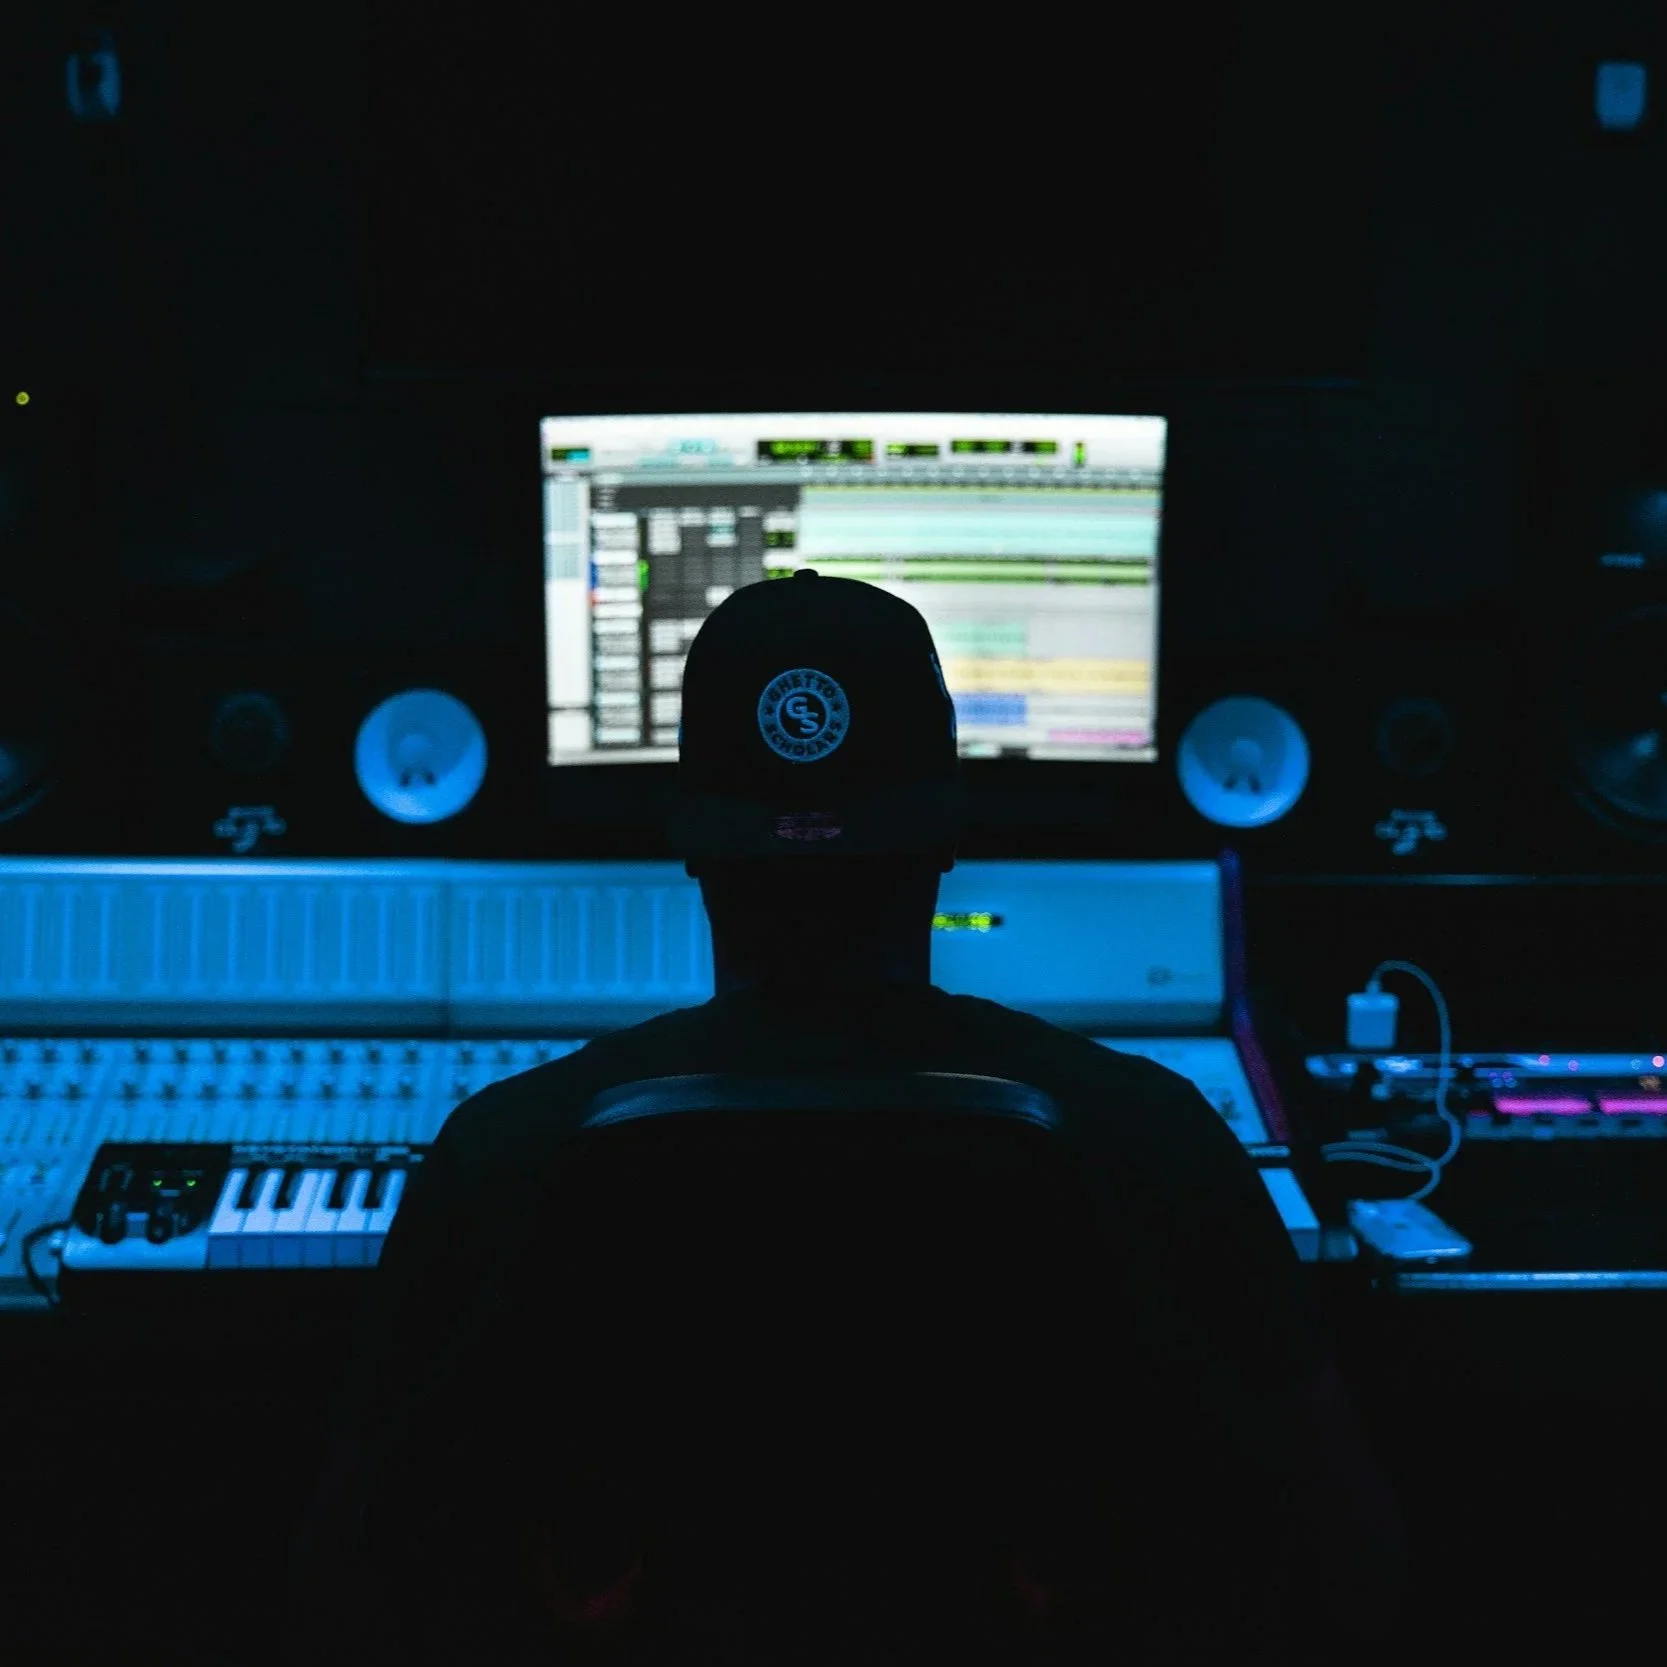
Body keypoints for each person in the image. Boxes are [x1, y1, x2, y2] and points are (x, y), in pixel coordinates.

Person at [287, 570, 1408, 1666]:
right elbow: (1345, 1552)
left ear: (684, 834)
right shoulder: (1150, 1132)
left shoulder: (505, 1147)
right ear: (949, 830)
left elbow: (350, 1558)